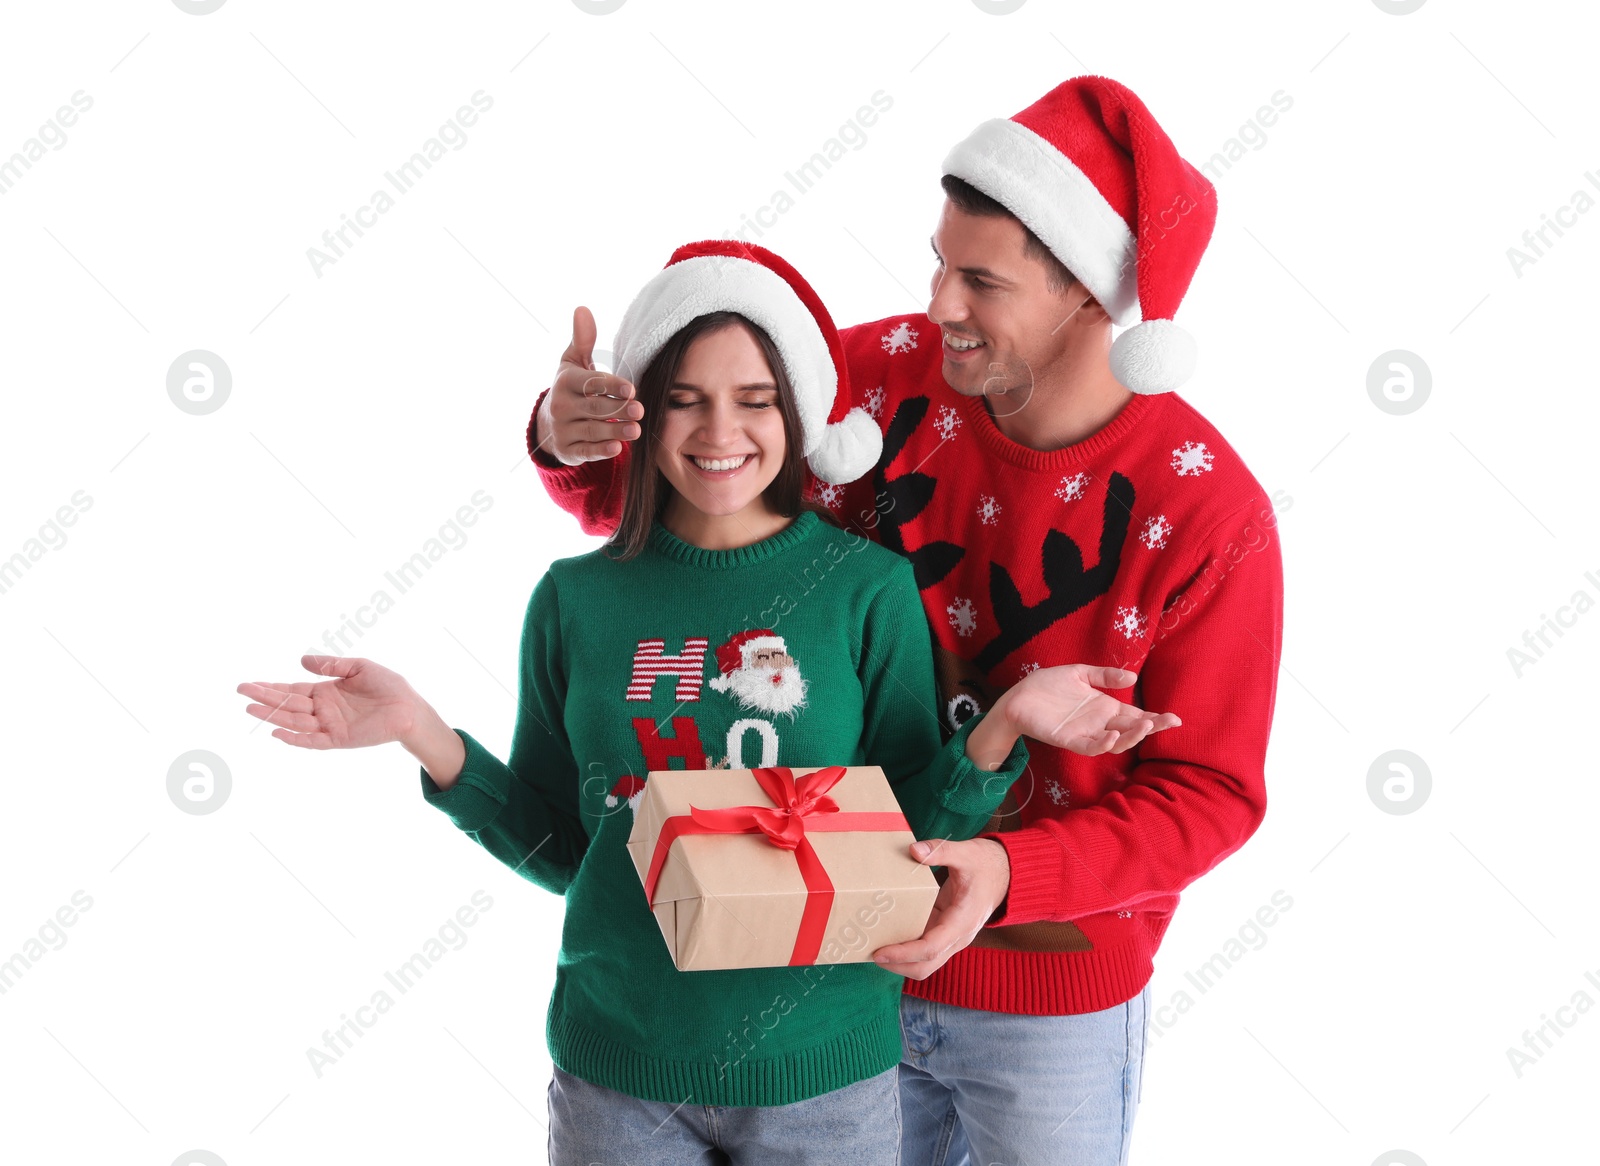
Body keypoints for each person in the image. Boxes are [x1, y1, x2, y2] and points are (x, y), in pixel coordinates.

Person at [237, 238, 1179, 1166]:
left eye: (754, 401)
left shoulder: (865, 590)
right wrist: (419, 730)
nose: (719, 433)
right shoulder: (575, 599)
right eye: (684, 400)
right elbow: (569, 851)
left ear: (798, 413)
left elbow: (909, 847)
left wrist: (1006, 722)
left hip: (826, 1078)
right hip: (620, 1081)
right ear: (640, 415)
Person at [523, 76, 1285, 1165]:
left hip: (1044, 996)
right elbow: (688, 509)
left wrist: (1013, 872)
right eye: (937, 261)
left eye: (979, 278)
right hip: (821, 972)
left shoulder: (1205, 509)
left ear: (1085, 293)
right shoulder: (876, 382)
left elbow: (1212, 793)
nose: (937, 302)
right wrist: (574, 436)